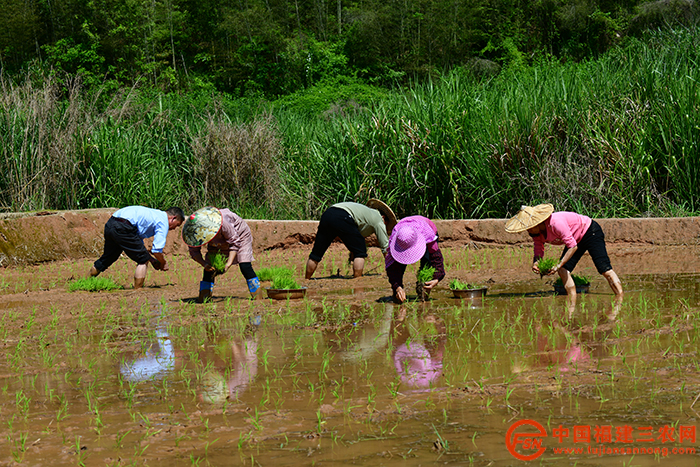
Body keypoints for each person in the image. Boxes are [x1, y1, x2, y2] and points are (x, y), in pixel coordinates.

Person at [505, 204, 623, 298]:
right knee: (563, 270)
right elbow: (538, 248)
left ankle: (620, 299)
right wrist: (536, 263)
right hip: (575, 238)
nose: (528, 231)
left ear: (538, 223)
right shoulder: (535, 233)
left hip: (590, 231)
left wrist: (558, 264)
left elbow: (572, 247)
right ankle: (571, 300)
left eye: (529, 227)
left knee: (604, 269)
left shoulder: (556, 224)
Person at [90, 206, 184, 288]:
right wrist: (163, 262)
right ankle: (138, 290)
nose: (174, 228)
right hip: (124, 227)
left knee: (108, 258)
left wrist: (152, 260)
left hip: (111, 223)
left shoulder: (154, 214)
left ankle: (85, 281)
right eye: (177, 225)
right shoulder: (163, 222)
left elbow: (137, 243)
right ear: (173, 218)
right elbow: (157, 250)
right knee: (143, 260)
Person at [182, 206, 262, 302]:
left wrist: (228, 263)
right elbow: (193, 251)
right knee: (209, 268)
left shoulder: (222, 223)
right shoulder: (193, 232)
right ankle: (204, 298)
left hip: (239, 236)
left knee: (245, 265)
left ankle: (258, 297)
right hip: (216, 242)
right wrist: (204, 264)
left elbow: (234, 242)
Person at [305, 199, 397, 279]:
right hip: (343, 216)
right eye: (386, 225)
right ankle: (357, 280)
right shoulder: (378, 219)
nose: (384, 227)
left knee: (317, 252)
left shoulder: (365, 214)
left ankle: (306, 280)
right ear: (383, 217)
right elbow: (385, 247)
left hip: (327, 214)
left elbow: (352, 238)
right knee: (360, 249)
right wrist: (392, 269)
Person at [385, 215, 446, 303]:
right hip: (403, 230)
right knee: (398, 265)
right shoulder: (395, 238)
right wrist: (397, 287)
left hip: (426, 227)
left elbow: (436, 259)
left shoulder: (428, 234)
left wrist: (437, 278)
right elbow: (391, 267)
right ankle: (399, 294)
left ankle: (424, 294)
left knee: (427, 264)